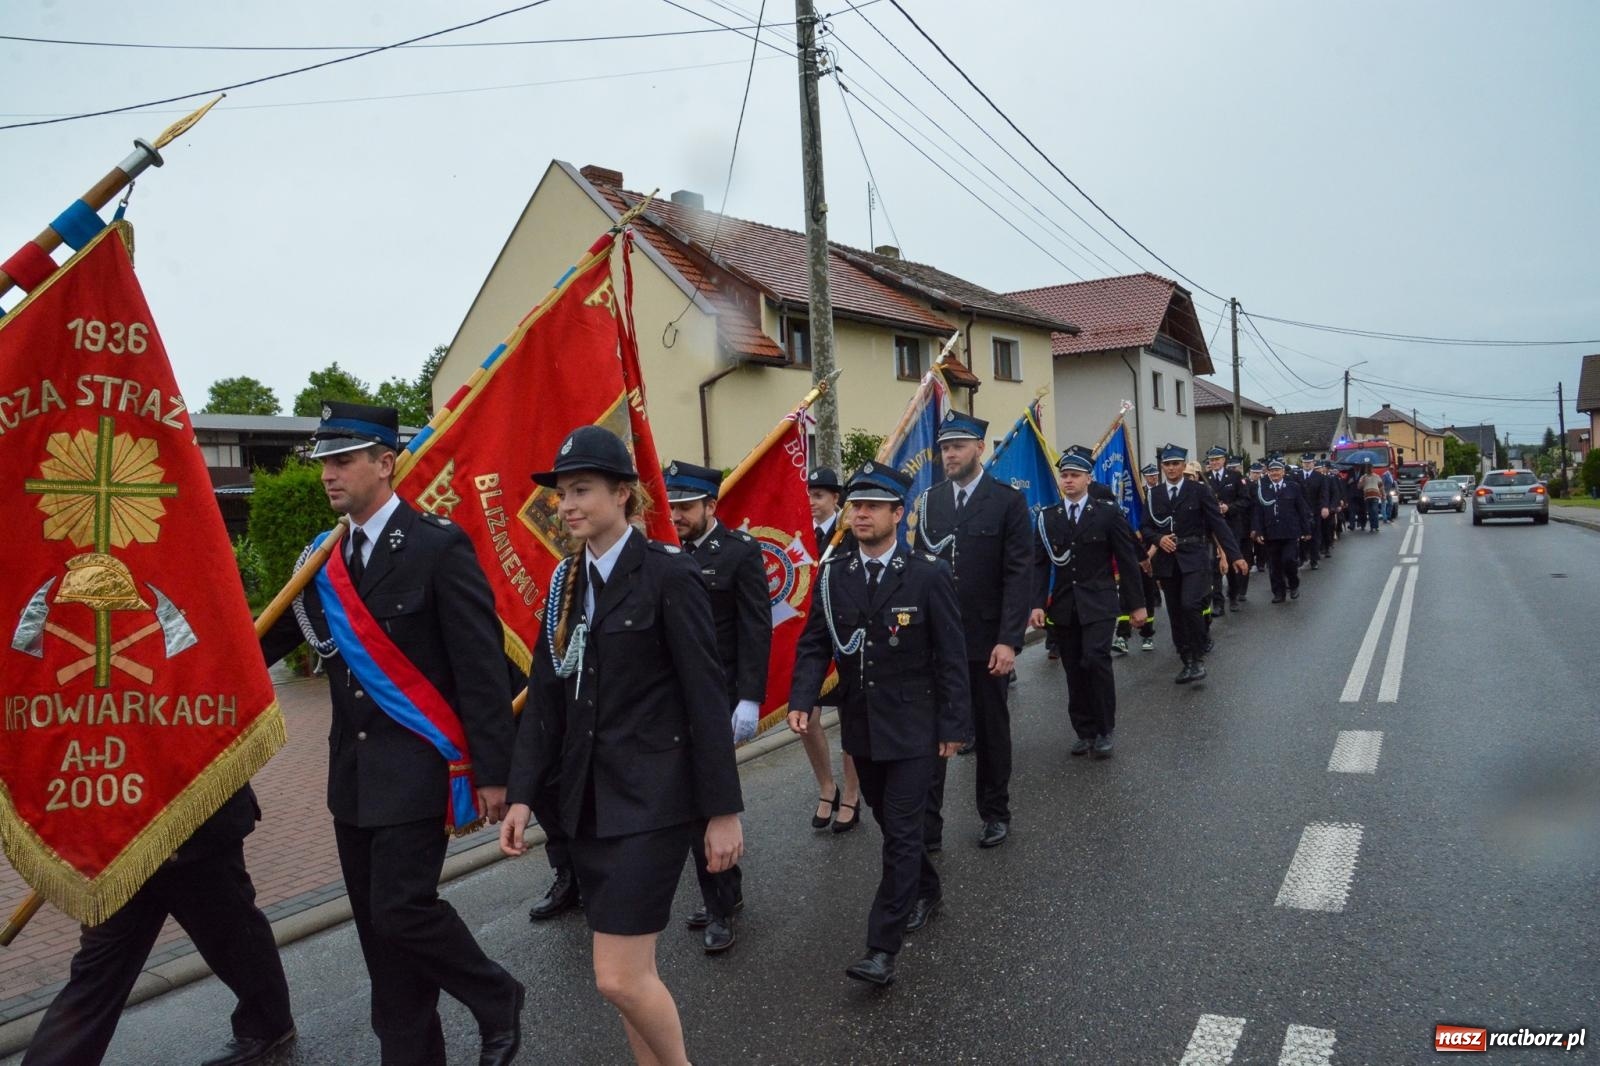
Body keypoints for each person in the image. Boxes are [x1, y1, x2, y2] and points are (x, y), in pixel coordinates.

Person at [259, 402, 522, 1066]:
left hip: (417, 769)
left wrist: (494, 772)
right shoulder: (322, 560)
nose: (328, 474)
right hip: (350, 777)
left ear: (385, 463)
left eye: (343, 460)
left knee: (402, 911)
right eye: (323, 463)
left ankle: (496, 995)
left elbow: (481, 666)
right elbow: (265, 640)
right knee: (384, 948)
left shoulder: (437, 545)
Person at [501, 427, 742, 1066]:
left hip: (654, 803)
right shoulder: (565, 584)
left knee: (618, 976)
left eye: (581, 490)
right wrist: (522, 796)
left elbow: (704, 698)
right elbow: (547, 700)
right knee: (629, 982)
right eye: (561, 493)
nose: (567, 504)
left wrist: (723, 811)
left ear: (623, 494)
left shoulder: (669, 574)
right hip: (587, 806)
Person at [788, 461, 970, 986]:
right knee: (893, 825)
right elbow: (815, 643)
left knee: (902, 831)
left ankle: (881, 948)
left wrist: (954, 725)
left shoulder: (928, 573)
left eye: (871, 506)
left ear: (898, 512)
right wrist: (804, 698)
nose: (860, 514)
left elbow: (951, 657)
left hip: (915, 726)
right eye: (855, 506)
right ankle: (927, 887)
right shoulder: (835, 574)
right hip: (863, 726)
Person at [23, 786, 294, 1066]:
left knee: (233, 934)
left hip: (193, 825)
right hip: (122, 843)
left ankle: (268, 1022)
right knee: (96, 972)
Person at [910, 411, 1031, 851]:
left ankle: (995, 812)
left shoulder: (1007, 501)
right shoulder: (930, 502)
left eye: (958, 446)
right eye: (944, 447)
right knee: (933, 733)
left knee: (990, 728)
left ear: (980, 448)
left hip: (985, 640)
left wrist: (1009, 639)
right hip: (937, 641)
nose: (949, 455)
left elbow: (1019, 575)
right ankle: (929, 829)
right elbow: (920, 570)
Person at [664, 459, 770, 954]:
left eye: (686, 506)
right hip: (674, 698)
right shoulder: (664, 553)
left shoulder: (739, 553)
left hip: (722, 697)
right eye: (672, 506)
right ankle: (723, 889)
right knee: (692, 806)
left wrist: (749, 698)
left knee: (711, 802)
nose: (677, 514)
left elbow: (755, 628)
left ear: (711, 505)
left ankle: (721, 908)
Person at [1031, 446, 1145, 758]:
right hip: (1066, 607)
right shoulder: (1048, 517)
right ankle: (1084, 731)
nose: (1068, 480)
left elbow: (1127, 559)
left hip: (1099, 602)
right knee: (1073, 669)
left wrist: (1137, 605)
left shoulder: (1107, 513)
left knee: (1095, 660)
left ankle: (1105, 729)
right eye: (1064, 475)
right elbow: (1040, 564)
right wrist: (1037, 604)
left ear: (1087, 478)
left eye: (1074, 475)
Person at [1140, 443, 1246, 684]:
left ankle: (1198, 656)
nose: (1171, 468)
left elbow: (1218, 524)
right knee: (1176, 612)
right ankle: (1186, 659)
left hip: (1194, 556)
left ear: (1184, 465)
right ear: (1162, 466)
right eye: (1167, 464)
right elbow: (1145, 526)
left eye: (1176, 463)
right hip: (1168, 562)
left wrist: (1235, 555)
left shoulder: (1198, 490)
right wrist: (1158, 538)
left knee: (1190, 605)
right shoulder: (1154, 494)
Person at [801, 466, 861, 833]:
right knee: (806, 718)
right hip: (808, 638)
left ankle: (852, 794)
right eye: (807, 495)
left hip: (843, 638)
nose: (811, 502)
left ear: (836, 499)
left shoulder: (850, 533)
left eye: (818, 496)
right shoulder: (797, 532)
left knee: (849, 720)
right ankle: (827, 785)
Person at [1252, 458, 1314, 603]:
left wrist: (1307, 530)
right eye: (1272, 471)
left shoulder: (1293, 487)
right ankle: (1278, 593)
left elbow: (1301, 509)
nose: (1275, 473)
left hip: (1290, 532)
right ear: (1268, 473)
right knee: (1274, 565)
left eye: (1277, 470)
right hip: (1271, 532)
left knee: (1289, 560)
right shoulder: (1262, 489)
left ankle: (1293, 585)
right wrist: (1258, 531)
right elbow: (1258, 511)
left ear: (1283, 472)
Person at [1203, 447, 1248, 613]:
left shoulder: (1235, 477)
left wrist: (1229, 507)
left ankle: (1233, 595)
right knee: (1214, 565)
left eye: (1217, 459)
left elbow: (1245, 500)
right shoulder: (1204, 478)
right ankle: (1218, 602)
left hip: (1231, 526)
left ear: (1224, 460)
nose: (1214, 462)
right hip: (1212, 529)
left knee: (1231, 561)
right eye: (1212, 460)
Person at [1359, 464, 1386, 532]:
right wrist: (1363, 481)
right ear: (1366, 469)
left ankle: (1376, 526)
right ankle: (1372, 527)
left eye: (1370, 468)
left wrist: (1383, 494)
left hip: (1375, 496)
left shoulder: (1376, 476)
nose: (1369, 469)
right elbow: (1359, 486)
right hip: (1367, 497)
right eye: (1368, 468)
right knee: (1370, 512)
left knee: (1374, 511)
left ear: (1372, 468)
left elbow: (1381, 486)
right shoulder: (1363, 477)